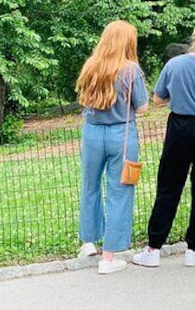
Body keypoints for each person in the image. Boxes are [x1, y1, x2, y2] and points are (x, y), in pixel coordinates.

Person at [132, 21, 195, 269]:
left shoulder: (174, 64)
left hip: (179, 127)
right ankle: (194, 247)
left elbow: (159, 99)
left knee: (169, 186)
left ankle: (153, 248)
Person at [76, 20, 148, 275]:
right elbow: (141, 107)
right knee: (119, 191)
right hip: (121, 134)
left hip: (92, 133)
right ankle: (108, 258)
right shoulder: (131, 70)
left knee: (90, 185)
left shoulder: (90, 66)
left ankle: (88, 241)